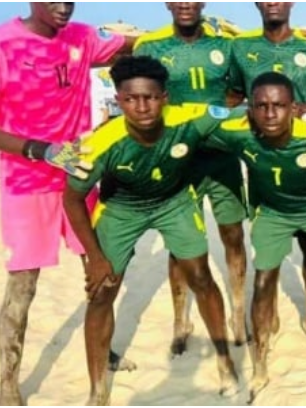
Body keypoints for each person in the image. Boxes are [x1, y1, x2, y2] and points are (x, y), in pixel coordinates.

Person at [62, 56, 239, 405]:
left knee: (201, 278)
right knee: (101, 292)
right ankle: (98, 391)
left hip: (174, 202)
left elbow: (247, 112)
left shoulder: (191, 118)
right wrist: (95, 258)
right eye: (131, 99)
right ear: (119, 99)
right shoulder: (99, 143)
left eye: (151, 97)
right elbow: (72, 200)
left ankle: (225, 365)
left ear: (165, 96)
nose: (142, 106)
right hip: (121, 209)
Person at [0, 3, 133, 405]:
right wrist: (40, 149)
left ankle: (101, 351)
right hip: (25, 180)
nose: (63, 6)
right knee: (24, 285)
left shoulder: (84, 36)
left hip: (79, 174)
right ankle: (7, 381)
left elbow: (132, 45)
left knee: (100, 268)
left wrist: (204, 25)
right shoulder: (5, 45)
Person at [204, 72, 306, 402]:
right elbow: (192, 120)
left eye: (279, 105)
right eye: (261, 106)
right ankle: (260, 365)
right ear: (250, 109)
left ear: (293, 108)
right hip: (273, 213)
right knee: (263, 283)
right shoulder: (239, 131)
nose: (271, 113)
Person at [229, 2, 306, 348]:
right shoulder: (242, 48)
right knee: (270, 251)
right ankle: (270, 314)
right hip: (264, 166)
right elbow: (234, 97)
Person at [133, 1, 249, 352]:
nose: (185, 3)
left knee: (233, 235)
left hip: (222, 158)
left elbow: (240, 89)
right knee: (180, 244)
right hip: (180, 160)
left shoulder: (224, 46)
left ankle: (238, 315)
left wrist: (217, 118)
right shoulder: (151, 47)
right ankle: (180, 320)